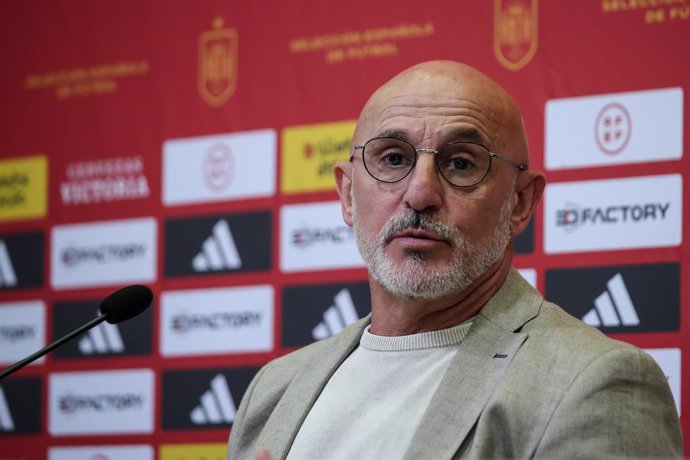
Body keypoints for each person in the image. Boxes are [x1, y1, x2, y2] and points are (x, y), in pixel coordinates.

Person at [227, 60, 683, 459]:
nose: (421, 194)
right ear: (347, 194)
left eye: (461, 163)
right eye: (392, 158)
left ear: (521, 203)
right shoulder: (273, 389)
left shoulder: (594, 384)